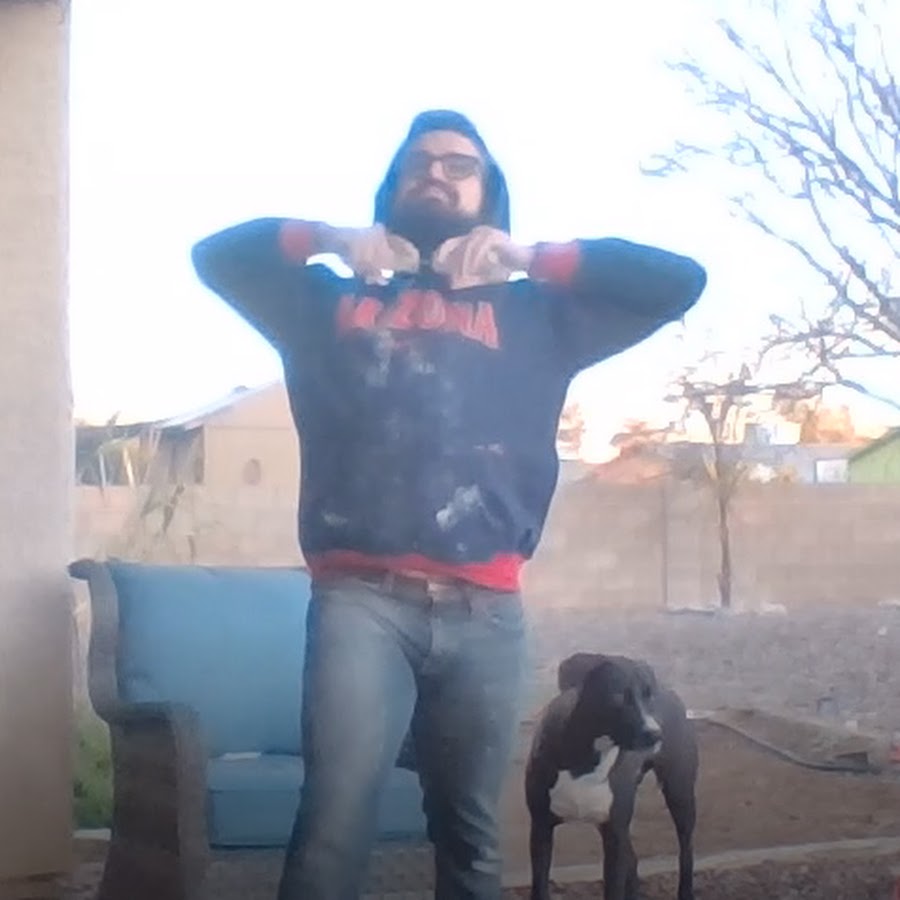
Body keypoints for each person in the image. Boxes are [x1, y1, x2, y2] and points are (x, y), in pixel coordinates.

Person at [191, 109, 707, 900]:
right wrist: (331, 239)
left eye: (459, 164)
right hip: (361, 602)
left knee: (471, 832)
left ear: (488, 193)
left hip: (488, 613)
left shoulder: (539, 315)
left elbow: (680, 281)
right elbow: (217, 256)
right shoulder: (322, 305)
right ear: (394, 186)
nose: (436, 171)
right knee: (334, 822)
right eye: (420, 162)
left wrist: (530, 257)